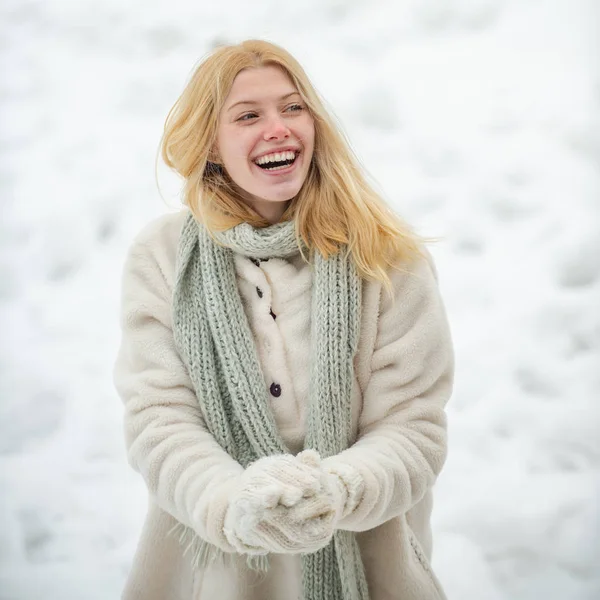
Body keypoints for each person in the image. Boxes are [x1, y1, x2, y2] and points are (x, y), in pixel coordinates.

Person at [113, 39, 454, 600]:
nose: (278, 128)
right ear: (211, 145)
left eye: (293, 108)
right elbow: (159, 420)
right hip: (210, 576)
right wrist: (234, 504)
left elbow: (413, 429)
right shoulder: (163, 257)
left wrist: (336, 491)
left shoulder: (389, 259)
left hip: (369, 571)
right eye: (248, 115)